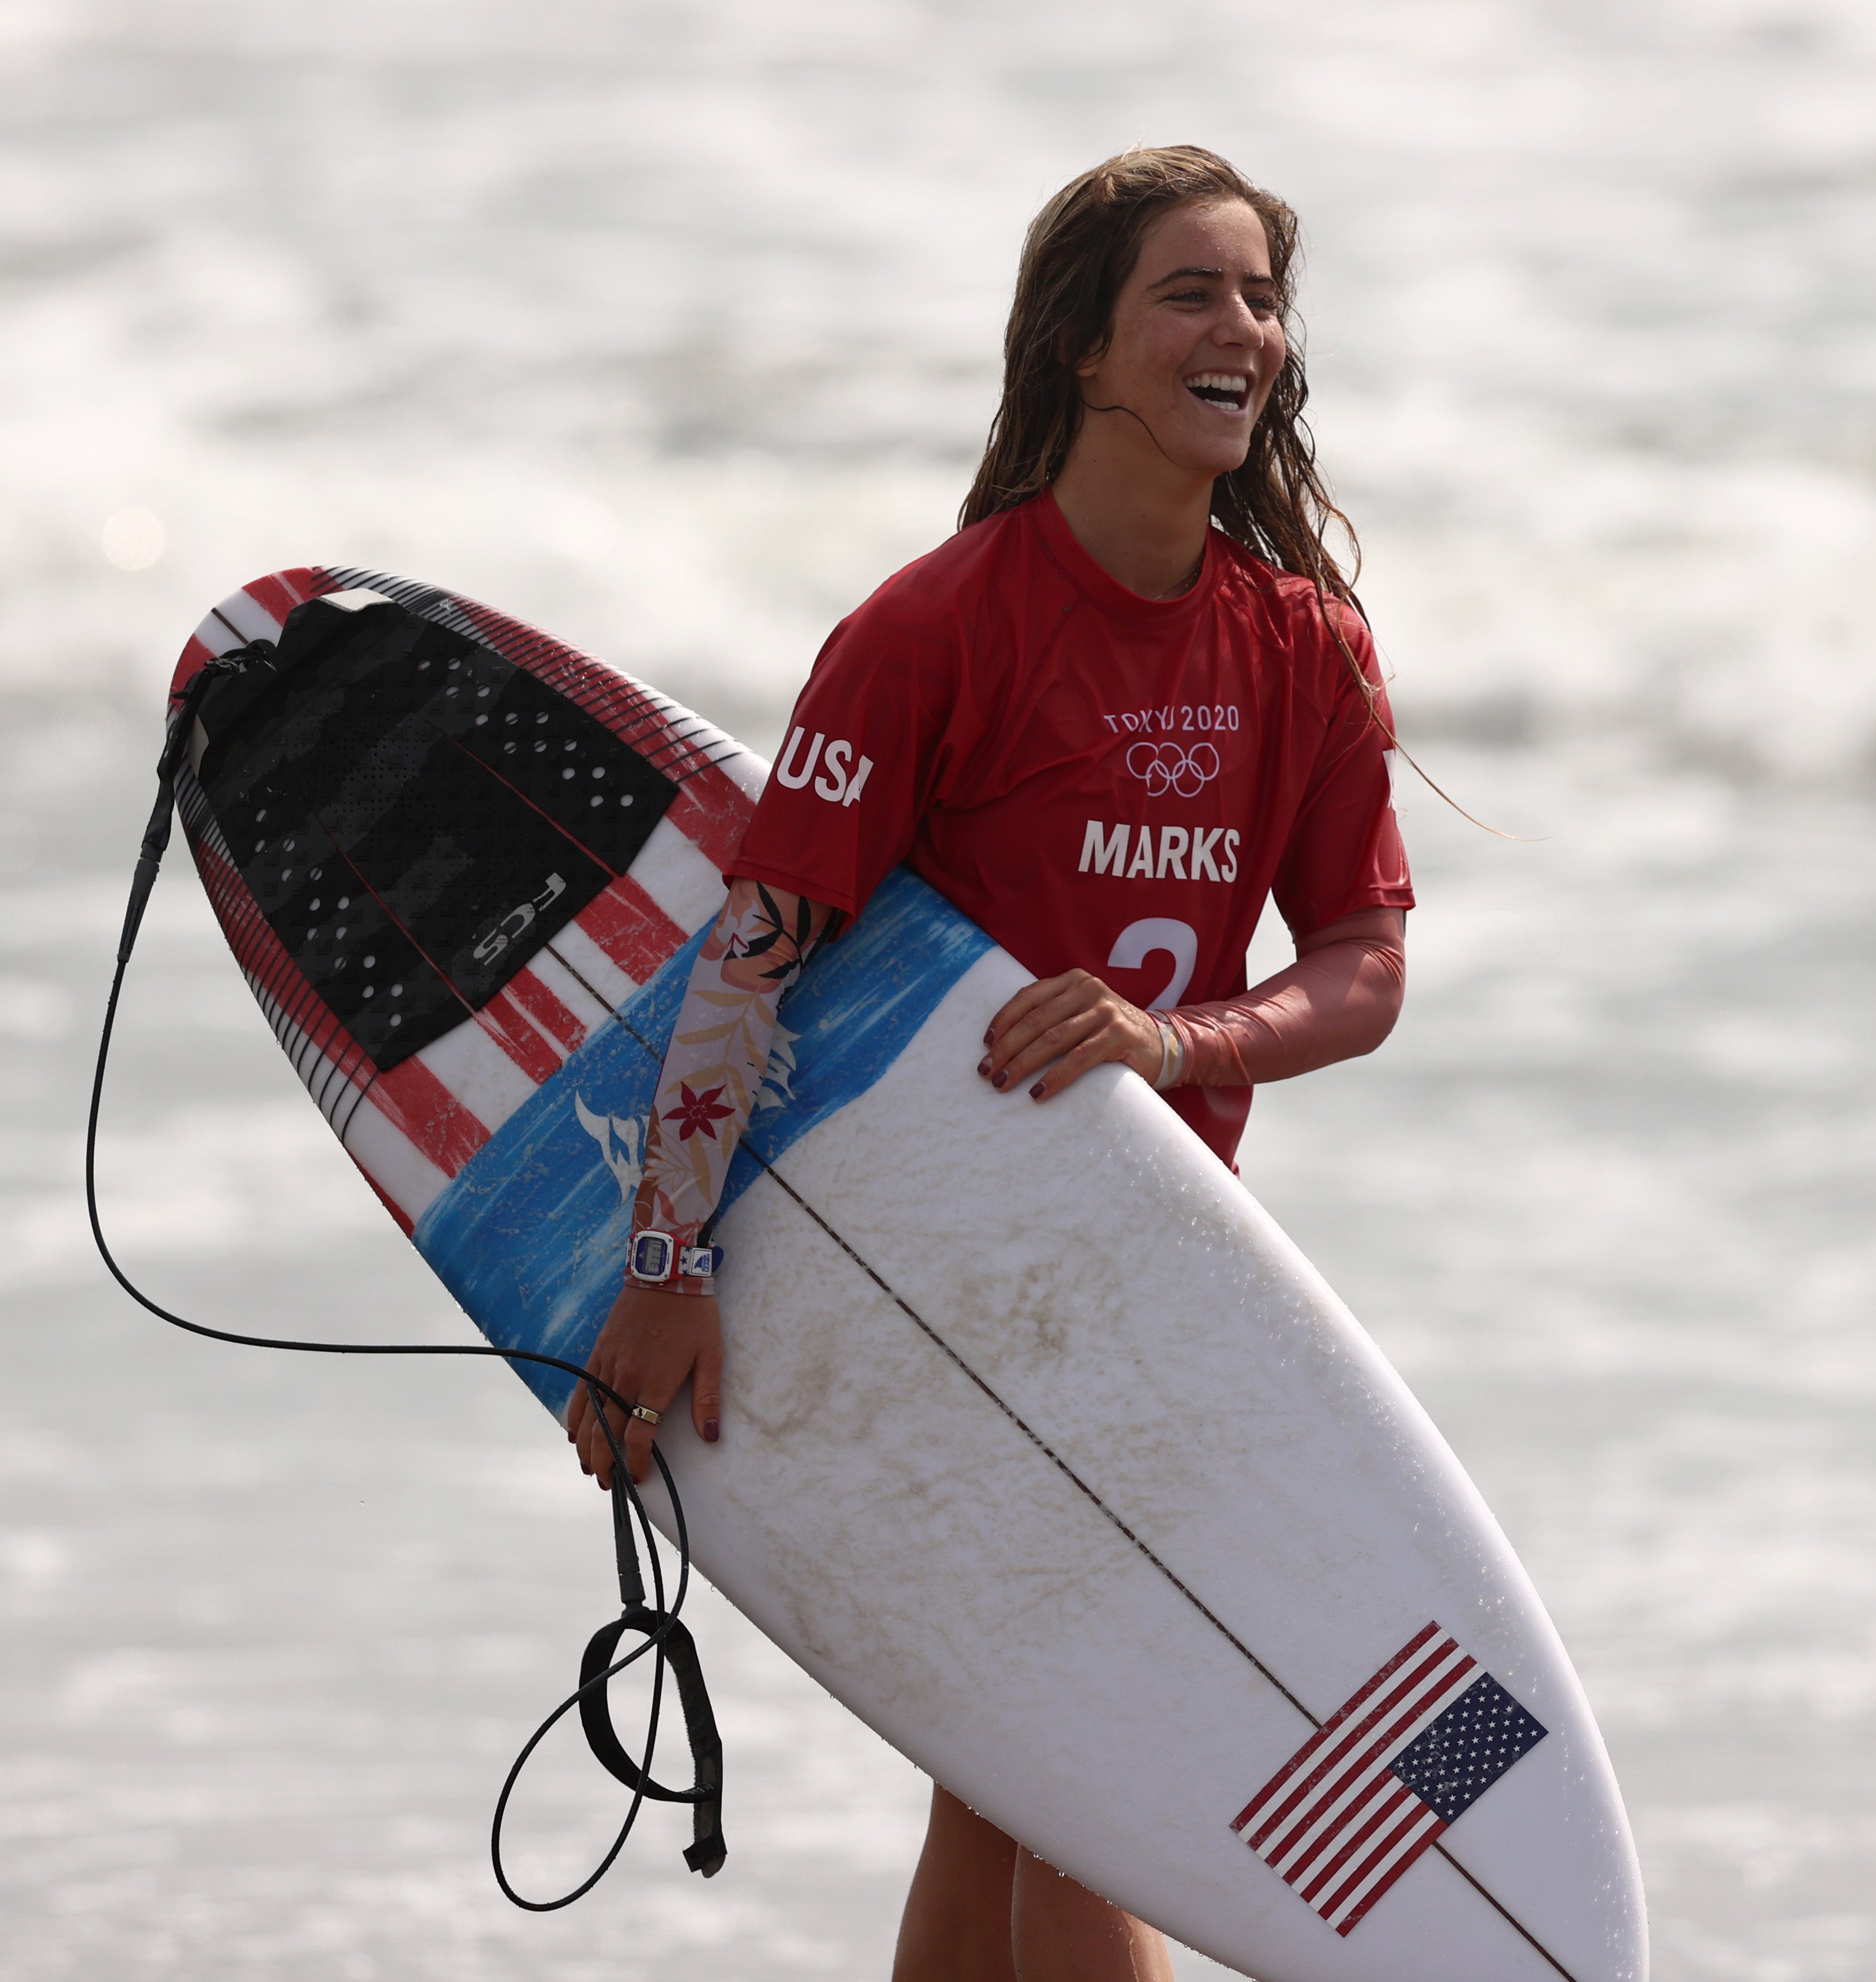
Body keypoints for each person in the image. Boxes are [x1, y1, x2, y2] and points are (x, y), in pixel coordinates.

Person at [560, 145, 1415, 1981]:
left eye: (1261, 295)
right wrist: (662, 1271)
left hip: (1151, 1267)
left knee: (1015, 1775)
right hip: (934, 1278)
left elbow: (1362, 966)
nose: (1243, 331)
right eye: (1193, 292)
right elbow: (753, 960)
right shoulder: (933, 632)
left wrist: (1177, 1036)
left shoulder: (1304, 649)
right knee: (1087, 1763)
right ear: (1083, 349)